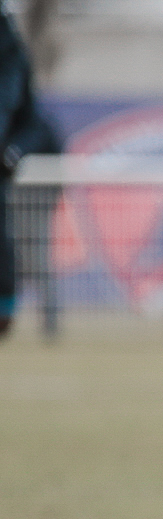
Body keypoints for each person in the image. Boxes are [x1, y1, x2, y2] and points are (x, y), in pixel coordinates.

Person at [1, 7, 60, 342]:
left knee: (31, 252)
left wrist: (13, 153)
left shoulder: (12, 57)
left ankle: (31, 317)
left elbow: (32, 125)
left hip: (18, 184)